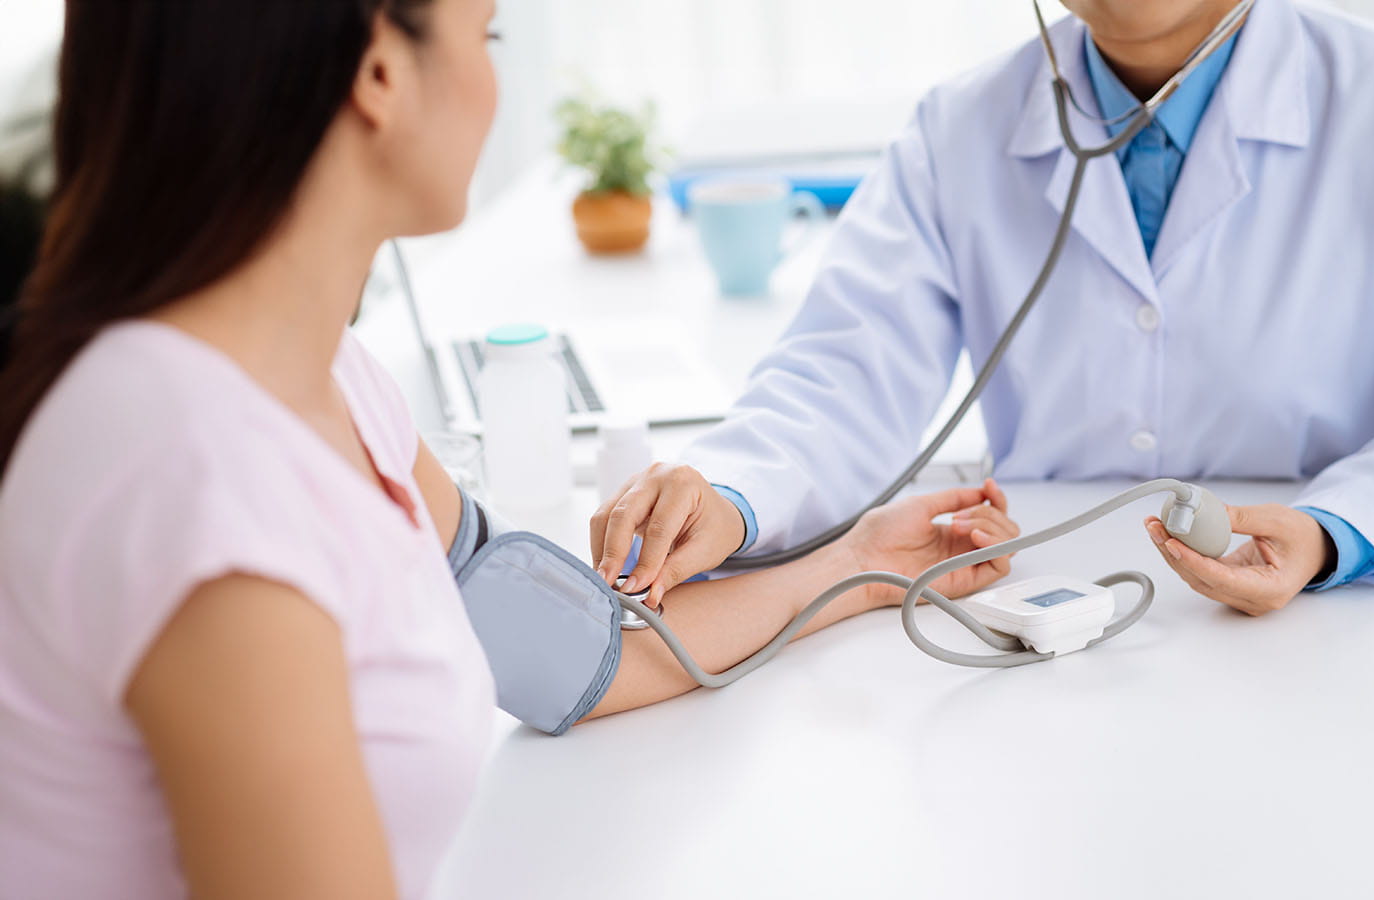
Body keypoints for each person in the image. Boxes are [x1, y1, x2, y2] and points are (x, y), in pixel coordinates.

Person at [0, 1, 1021, 897]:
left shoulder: (330, 381)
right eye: (482, 32)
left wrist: (855, 568)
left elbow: (573, 650)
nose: (493, 78)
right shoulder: (192, 471)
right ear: (380, 72)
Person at [593, 0, 1374, 618]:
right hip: (1028, 614)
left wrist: (1330, 532)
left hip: (1315, 623)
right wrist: (729, 494)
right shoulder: (957, 128)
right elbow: (844, 375)